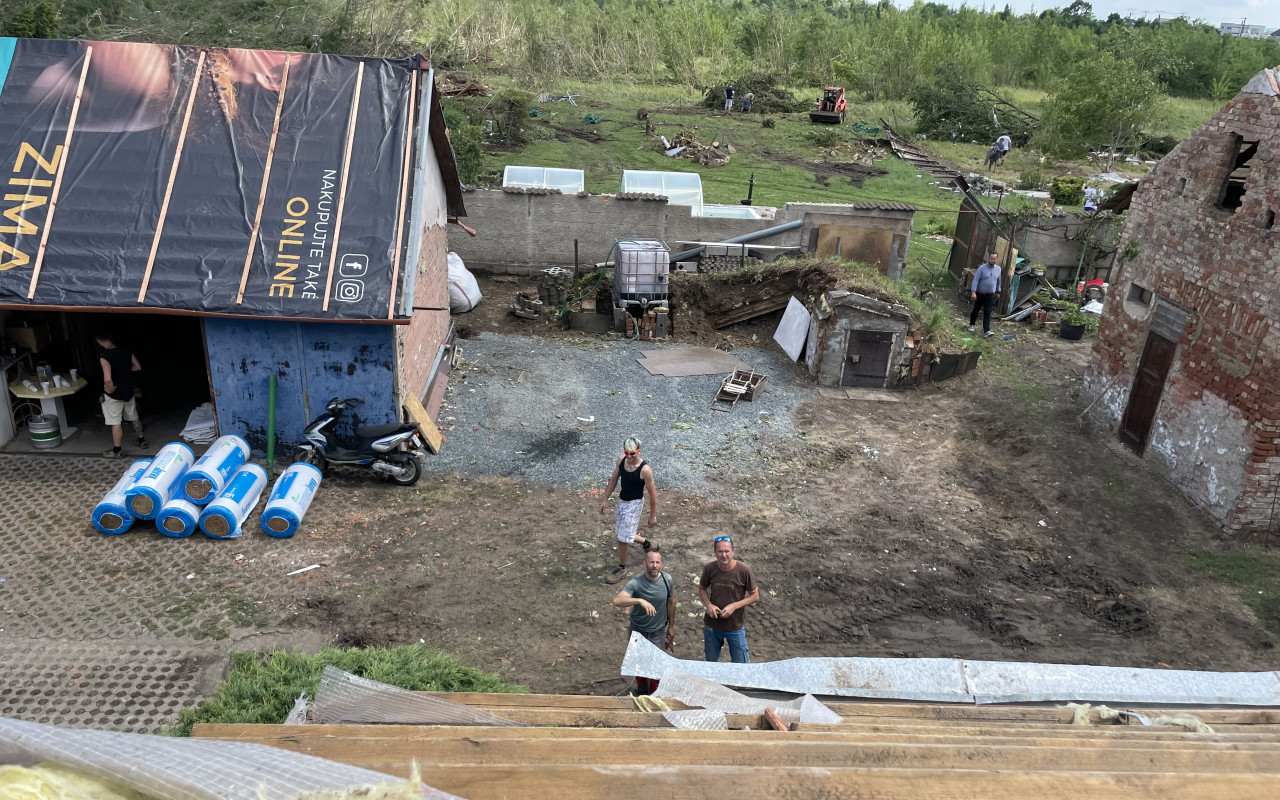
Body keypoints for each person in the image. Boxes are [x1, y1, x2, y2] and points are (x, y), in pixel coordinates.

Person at [613, 550, 675, 695]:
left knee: (656, 667)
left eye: (657, 562)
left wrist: (671, 627)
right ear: (644, 564)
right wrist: (640, 600)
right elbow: (617, 600)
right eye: (651, 562)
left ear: (661, 564)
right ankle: (641, 689)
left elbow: (671, 601)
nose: (654, 566)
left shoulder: (667, 580)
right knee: (638, 663)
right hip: (638, 631)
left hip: (658, 632)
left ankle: (654, 694)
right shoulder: (636, 582)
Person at [599, 437, 658, 583]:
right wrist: (605, 499)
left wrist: (652, 515)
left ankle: (622, 568)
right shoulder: (621, 461)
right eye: (627, 453)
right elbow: (613, 480)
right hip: (622, 501)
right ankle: (647, 543)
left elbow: (652, 494)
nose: (629, 456)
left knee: (622, 539)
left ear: (638, 451)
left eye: (633, 453)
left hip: (634, 504)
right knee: (622, 533)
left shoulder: (645, 470)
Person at [699, 535, 759, 663]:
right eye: (720, 551)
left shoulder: (744, 570)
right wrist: (709, 605)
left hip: (735, 626)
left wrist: (734, 606)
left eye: (727, 551)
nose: (724, 555)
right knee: (711, 661)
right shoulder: (710, 569)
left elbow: (755, 595)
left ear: (733, 552)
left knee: (741, 663)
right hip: (712, 625)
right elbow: (702, 588)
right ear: (715, 553)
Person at [96, 333, 147, 458]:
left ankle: (117, 450)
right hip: (128, 390)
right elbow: (137, 366)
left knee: (116, 422)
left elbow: (108, 379)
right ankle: (141, 440)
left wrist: (109, 390)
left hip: (114, 394)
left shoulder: (105, 356)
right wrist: (124, 371)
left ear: (101, 340)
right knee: (134, 416)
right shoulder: (126, 350)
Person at [969, 252, 1002, 338]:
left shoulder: (998, 269)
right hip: (980, 294)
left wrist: (998, 291)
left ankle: (986, 330)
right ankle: (971, 324)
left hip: (990, 295)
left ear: (996, 259)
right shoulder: (982, 268)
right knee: (976, 309)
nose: (992, 260)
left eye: (994, 259)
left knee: (987, 312)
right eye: (991, 258)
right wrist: (973, 292)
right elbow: (975, 280)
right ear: (988, 258)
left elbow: (999, 281)